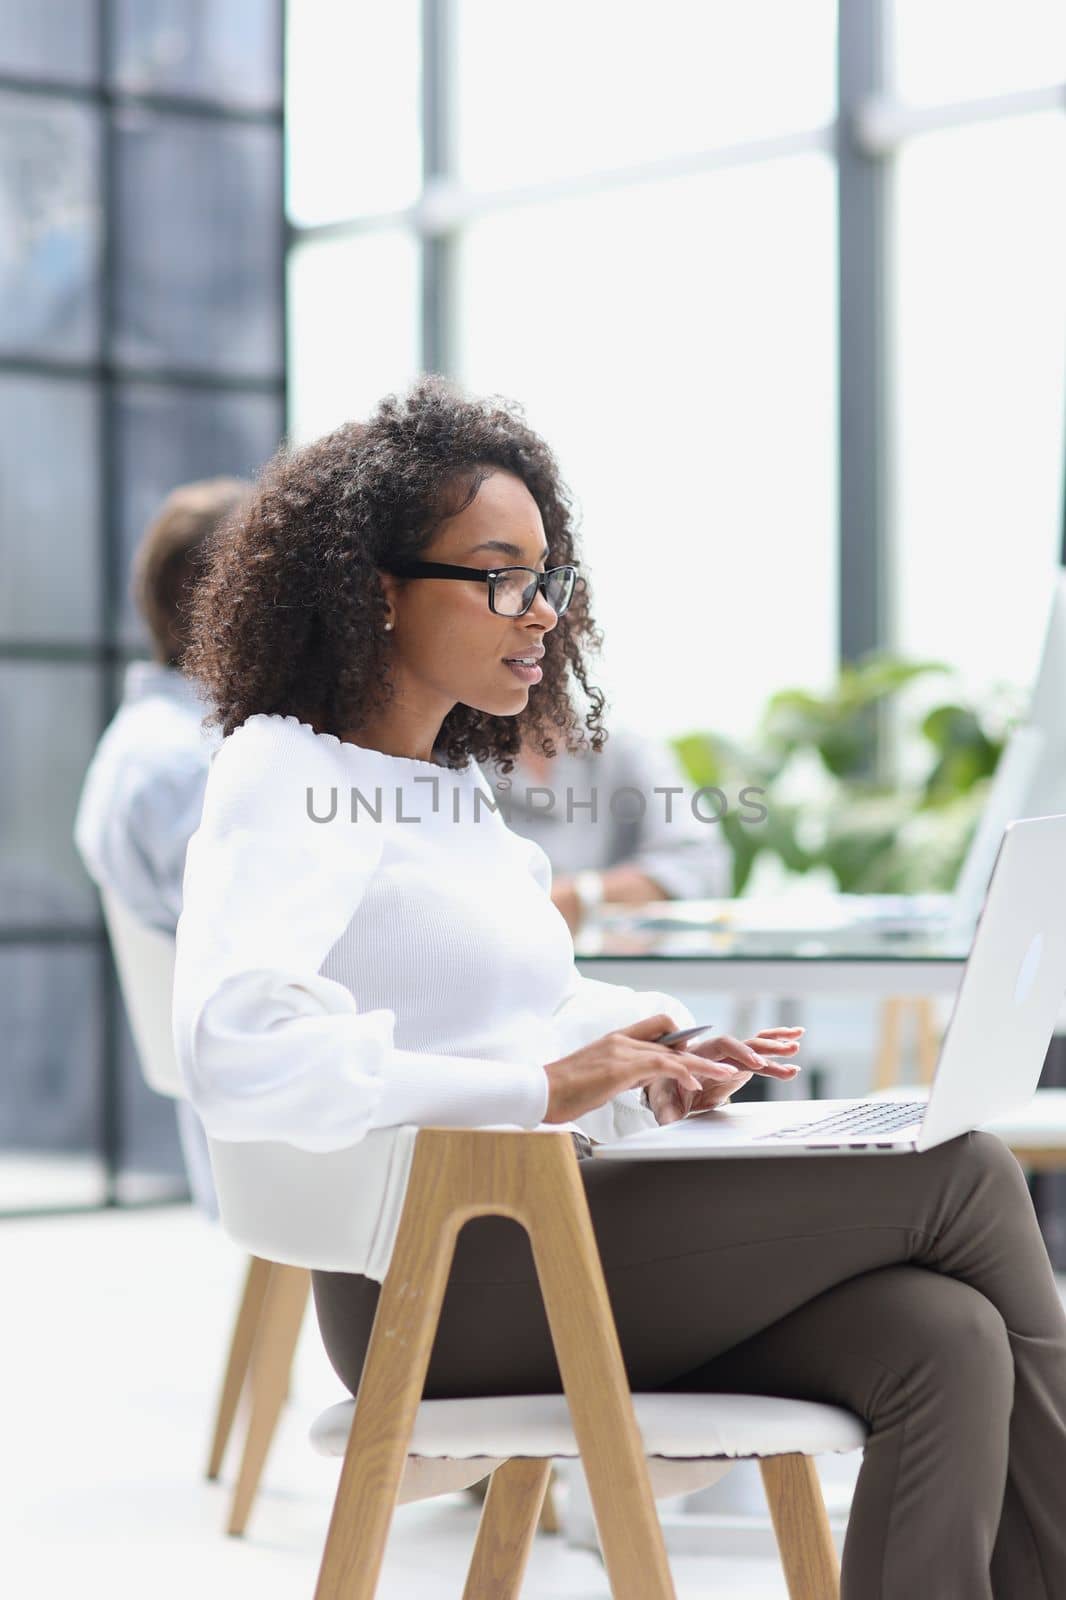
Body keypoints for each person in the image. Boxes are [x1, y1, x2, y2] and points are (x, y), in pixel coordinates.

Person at [171, 376, 1066, 1599]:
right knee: (960, 1172)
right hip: (438, 1274)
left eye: (547, 579)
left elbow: (511, 1003)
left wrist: (641, 1045)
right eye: (497, 574)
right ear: (373, 584)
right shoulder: (282, 774)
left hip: (543, 1234)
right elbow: (238, 1047)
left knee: (940, 1337)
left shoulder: (444, 793)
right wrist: (541, 1085)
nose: (536, 613)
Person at [74, 476, 251, 1215]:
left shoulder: (155, 744)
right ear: (208, 597)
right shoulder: (189, 764)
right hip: (280, 1134)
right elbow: (256, 954)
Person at [480, 724, 732, 936]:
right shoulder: (450, 762)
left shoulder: (623, 750)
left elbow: (702, 863)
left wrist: (579, 898)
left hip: (621, 976)